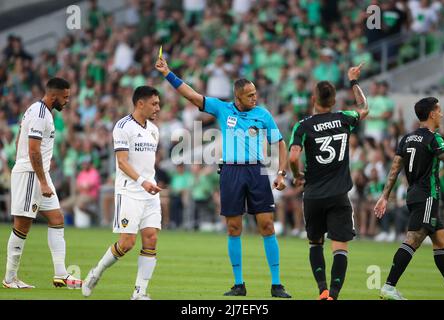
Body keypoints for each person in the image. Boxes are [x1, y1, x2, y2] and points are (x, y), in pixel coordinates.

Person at [155, 56, 291, 298]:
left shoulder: (263, 114)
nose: (254, 97)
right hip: (231, 171)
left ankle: (277, 284)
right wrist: (168, 73)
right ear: (237, 98)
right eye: (249, 95)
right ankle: (239, 284)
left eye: (255, 93)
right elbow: (192, 95)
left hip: (256, 170)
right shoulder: (222, 108)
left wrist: (281, 173)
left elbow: (280, 144)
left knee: (267, 225)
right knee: (233, 227)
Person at [289, 64, 369, 300]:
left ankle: (322, 289)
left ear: (314, 98)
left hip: (313, 195)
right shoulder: (345, 118)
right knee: (340, 247)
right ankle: (333, 294)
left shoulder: (303, 126)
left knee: (315, 244)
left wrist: (297, 175)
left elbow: (293, 156)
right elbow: (364, 108)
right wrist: (353, 81)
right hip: (338, 195)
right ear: (334, 102)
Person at [82, 86, 162, 300]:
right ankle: (96, 273)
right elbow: (122, 161)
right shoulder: (122, 127)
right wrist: (142, 181)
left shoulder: (154, 130)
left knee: (151, 239)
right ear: (140, 104)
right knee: (127, 243)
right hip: (130, 191)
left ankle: (139, 292)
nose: (158, 107)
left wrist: (149, 182)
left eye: (158, 103)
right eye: (154, 103)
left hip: (149, 191)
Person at [3, 77, 82, 289]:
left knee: (57, 218)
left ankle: (61, 274)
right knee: (22, 225)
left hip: (38, 174)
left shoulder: (40, 111)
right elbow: (33, 149)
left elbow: (21, 136)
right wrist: (42, 181)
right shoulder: (39, 114)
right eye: (65, 97)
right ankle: (10, 279)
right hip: (31, 175)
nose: (67, 101)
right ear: (53, 95)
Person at [374, 97, 444, 300]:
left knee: (441, 241)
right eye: (439, 111)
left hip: (414, 195)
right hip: (428, 196)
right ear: (432, 114)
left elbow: (395, 168)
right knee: (414, 239)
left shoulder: (407, 138)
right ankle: (389, 286)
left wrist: (384, 195)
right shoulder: (435, 139)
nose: (441, 114)